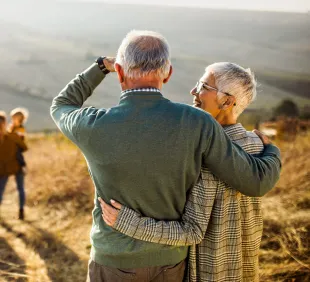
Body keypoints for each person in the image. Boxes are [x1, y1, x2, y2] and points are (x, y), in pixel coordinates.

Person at [50, 30, 281, 282]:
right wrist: (271, 150)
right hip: (171, 265)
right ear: (168, 73)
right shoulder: (198, 123)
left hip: (113, 262)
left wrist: (100, 68)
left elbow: (61, 105)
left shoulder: (92, 124)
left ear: (119, 70)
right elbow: (255, 181)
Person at [100, 62, 273, 281]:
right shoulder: (258, 145)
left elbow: (192, 231)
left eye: (203, 86)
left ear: (227, 101)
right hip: (246, 271)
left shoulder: (203, 154)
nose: (193, 91)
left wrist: (128, 223)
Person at [0, 111, 28, 219]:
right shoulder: (14, 135)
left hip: (3, 168)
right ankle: (21, 210)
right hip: (17, 165)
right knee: (20, 188)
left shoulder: (13, 133)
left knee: (0, 191)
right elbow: (24, 147)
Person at [8, 108, 29, 220]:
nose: (13, 119)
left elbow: (18, 144)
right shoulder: (11, 128)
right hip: (9, 159)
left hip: (17, 159)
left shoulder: (20, 129)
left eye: (16, 117)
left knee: (20, 187)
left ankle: (21, 210)